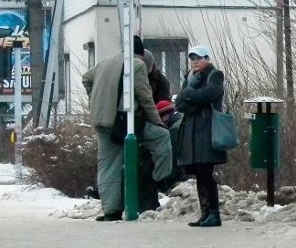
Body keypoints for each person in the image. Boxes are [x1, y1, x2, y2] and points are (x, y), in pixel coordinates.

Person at [82, 36, 172, 221]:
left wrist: (97, 100)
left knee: (108, 165)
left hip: (101, 119)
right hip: (123, 121)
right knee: (162, 138)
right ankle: (161, 180)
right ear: (141, 53)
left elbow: (86, 79)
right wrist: (157, 121)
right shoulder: (136, 65)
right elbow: (145, 97)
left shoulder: (104, 62)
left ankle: (111, 210)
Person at [174, 45, 227, 227]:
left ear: (207, 58)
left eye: (198, 58)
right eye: (192, 58)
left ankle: (214, 213)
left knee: (205, 172)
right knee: (198, 172)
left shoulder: (215, 75)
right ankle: (205, 213)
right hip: (191, 132)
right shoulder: (188, 78)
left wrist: (190, 96)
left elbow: (212, 94)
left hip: (207, 131)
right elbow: (179, 104)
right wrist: (193, 99)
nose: (195, 61)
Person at [156, 100, 187, 189]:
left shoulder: (174, 130)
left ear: (165, 116)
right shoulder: (182, 120)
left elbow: (172, 157)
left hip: (181, 175)